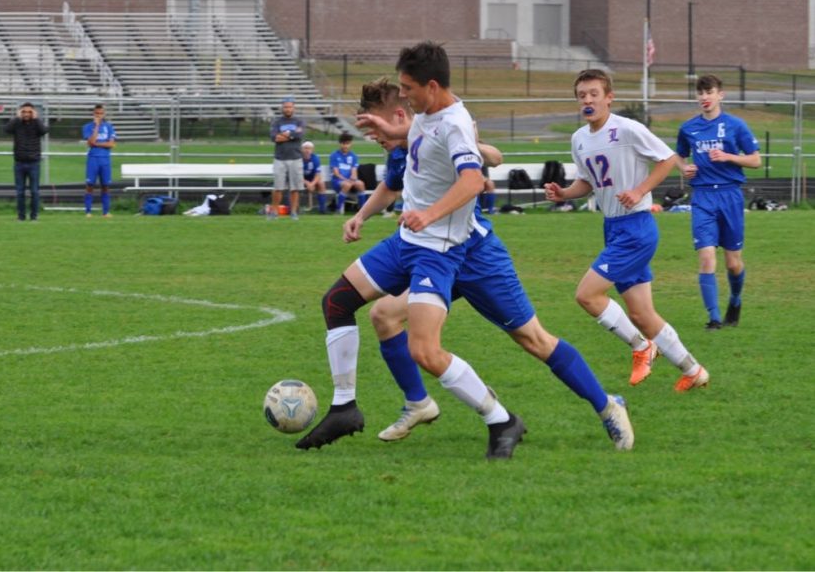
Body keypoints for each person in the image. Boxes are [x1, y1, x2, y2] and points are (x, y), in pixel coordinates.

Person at [357, 77, 633, 450]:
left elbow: (494, 157)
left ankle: (607, 407)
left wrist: (476, 147)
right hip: (436, 258)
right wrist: (361, 216)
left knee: (534, 341)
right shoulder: (400, 150)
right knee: (384, 316)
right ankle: (418, 403)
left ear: (400, 114)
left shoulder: (441, 128)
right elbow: (390, 186)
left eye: (377, 125)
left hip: (475, 256)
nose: (375, 135)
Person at [295, 42, 525, 459]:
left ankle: (500, 419)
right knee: (337, 301)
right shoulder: (425, 120)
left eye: (407, 88)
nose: (404, 95)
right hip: (406, 241)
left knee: (425, 350)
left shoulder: (453, 121)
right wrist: (364, 212)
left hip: (436, 248)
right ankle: (344, 406)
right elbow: (405, 158)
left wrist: (428, 214)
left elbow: (474, 178)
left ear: (429, 85)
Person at [544, 69, 710, 392]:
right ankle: (693, 370)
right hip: (613, 227)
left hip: (637, 227)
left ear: (609, 98)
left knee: (587, 295)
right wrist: (564, 193)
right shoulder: (579, 139)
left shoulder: (628, 129)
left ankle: (641, 347)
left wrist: (639, 190)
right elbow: (588, 182)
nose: (588, 100)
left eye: (594, 94)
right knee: (641, 313)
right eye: (582, 95)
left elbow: (666, 158)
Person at [675, 74, 761, 330]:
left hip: (730, 196)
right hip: (702, 197)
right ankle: (713, 318)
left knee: (733, 263)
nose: (704, 97)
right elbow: (678, 156)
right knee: (707, 258)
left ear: (720, 95)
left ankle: (735, 300)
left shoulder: (736, 125)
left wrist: (728, 157)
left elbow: (755, 160)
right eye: (700, 93)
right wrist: (684, 168)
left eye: (709, 92)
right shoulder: (688, 128)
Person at [4, 102, 48, 221]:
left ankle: (34, 216)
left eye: (29, 112)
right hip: (19, 163)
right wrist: (16, 117)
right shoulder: (17, 124)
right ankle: (21, 216)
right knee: (20, 192)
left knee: (34, 192)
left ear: (33, 113)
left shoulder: (36, 124)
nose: (26, 114)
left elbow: (44, 131)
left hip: (33, 163)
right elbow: (7, 129)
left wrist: (37, 118)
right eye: (24, 112)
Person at [269, 97, 305, 221]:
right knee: (278, 187)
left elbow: (299, 135)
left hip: (295, 158)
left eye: (290, 107)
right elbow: (274, 138)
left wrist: (284, 135)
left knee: (295, 188)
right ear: (282, 108)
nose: (288, 109)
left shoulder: (299, 121)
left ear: (293, 108)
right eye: (285, 107)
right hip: (280, 158)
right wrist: (291, 135)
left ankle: (294, 212)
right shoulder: (277, 122)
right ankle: (274, 212)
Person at [82, 104, 117, 218]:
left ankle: (106, 212)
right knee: (90, 185)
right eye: (97, 113)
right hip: (93, 158)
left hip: (105, 159)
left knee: (105, 185)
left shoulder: (109, 127)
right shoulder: (87, 127)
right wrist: (96, 127)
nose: (99, 116)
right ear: (93, 114)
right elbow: (90, 142)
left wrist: (97, 144)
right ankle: (88, 211)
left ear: (104, 114)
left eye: (101, 113)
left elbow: (111, 144)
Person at [329, 132, 365, 214]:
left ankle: (362, 210)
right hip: (338, 181)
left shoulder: (353, 156)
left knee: (360, 184)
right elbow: (336, 173)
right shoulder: (334, 155)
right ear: (340, 144)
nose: (345, 146)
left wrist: (353, 178)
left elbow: (354, 171)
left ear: (351, 144)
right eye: (343, 143)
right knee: (347, 184)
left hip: (349, 181)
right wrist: (347, 180)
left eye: (347, 144)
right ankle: (338, 210)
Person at [301, 140, 327, 214]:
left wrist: (312, 184)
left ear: (312, 150)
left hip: (312, 180)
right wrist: (306, 183)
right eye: (305, 148)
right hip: (300, 180)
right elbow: (297, 174)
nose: (307, 150)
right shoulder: (298, 159)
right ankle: (294, 209)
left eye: (309, 148)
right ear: (302, 149)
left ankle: (322, 210)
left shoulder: (315, 158)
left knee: (321, 184)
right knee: (294, 184)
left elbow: (318, 175)